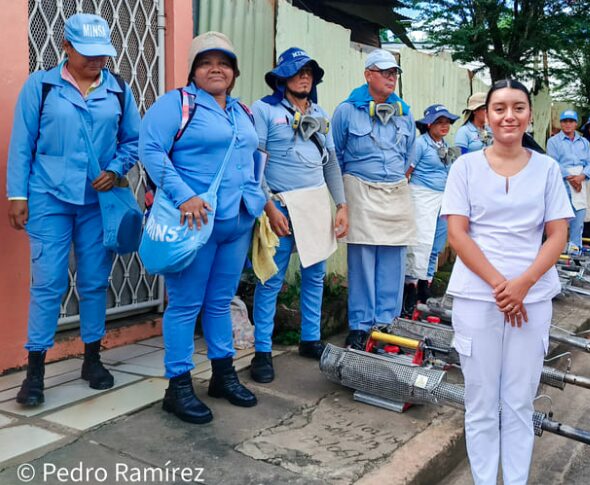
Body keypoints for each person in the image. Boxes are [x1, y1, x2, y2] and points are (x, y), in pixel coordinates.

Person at [442, 79, 573, 485]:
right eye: (499, 108)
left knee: (517, 402)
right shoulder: (465, 167)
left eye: (518, 107)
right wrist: (502, 285)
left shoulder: (548, 169)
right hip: (477, 298)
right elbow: (457, 234)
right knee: (481, 402)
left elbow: (557, 234)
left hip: (531, 300)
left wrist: (524, 285)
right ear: (486, 115)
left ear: (530, 114)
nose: (508, 116)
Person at [7, 13, 140, 407]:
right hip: (48, 197)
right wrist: (18, 196)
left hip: (97, 204)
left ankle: (92, 359)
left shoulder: (117, 90)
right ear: (66, 47)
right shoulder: (42, 87)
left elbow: (133, 140)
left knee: (95, 281)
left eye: (102, 54)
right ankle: (35, 373)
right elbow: (21, 143)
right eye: (88, 54)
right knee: (48, 283)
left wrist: (116, 169)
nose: (97, 61)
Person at [139, 32, 266, 423]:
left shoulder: (242, 112)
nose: (217, 68)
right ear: (194, 70)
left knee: (219, 301)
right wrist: (183, 196)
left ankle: (222, 374)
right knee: (185, 304)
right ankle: (177, 386)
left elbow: (252, 158)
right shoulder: (176, 104)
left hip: (236, 222)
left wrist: (258, 202)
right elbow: (150, 150)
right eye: (206, 62)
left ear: (234, 71)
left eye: (224, 62)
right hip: (194, 221)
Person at [249, 48, 348, 383]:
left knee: (315, 274)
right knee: (271, 278)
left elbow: (332, 162)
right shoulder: (264, 110)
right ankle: (262, 350)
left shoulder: (320, 113)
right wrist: (268, 206)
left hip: (316, 204)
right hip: (280, 206)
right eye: (297, 71)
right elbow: (256, 162)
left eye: (309, 72)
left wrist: (342, 205)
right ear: (282, 77)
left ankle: (310, 338)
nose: (304, 77)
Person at [331, 49, 416, 350]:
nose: (391, 77)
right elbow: (335, 155)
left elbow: (409, 154)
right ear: (368, 74)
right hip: (360, 190)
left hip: (394, 191)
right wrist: (343, 200)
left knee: (393, 259)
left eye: (394, 73)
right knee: (363, 260)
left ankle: (386, 324)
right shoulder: (346, 111)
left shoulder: (405, 113)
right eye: (384, 72)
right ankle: (360, 326)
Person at [402, 104, 459, 315]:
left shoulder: (444, 145)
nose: (445, 126)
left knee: (435, 243)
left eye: (447, 122)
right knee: (420, 242)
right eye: (439, 122)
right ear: (428, 124)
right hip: (421, 194)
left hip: (442, 197)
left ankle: (426, 284)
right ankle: (411, 289)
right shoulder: (420, 144)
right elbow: (407, 171)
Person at [546, 109, 590, 251]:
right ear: (561, 123)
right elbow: (552, 161)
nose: (568, 124)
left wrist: (581, 176)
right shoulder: (553, 141)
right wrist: (570, 178)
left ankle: (575, 248)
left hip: (580, 178)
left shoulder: (584, 142)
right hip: (562, 180)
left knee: (579, 215)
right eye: (565, 121)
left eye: (571, 121)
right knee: (560, 217)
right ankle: (556, 250)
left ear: (576, 124)